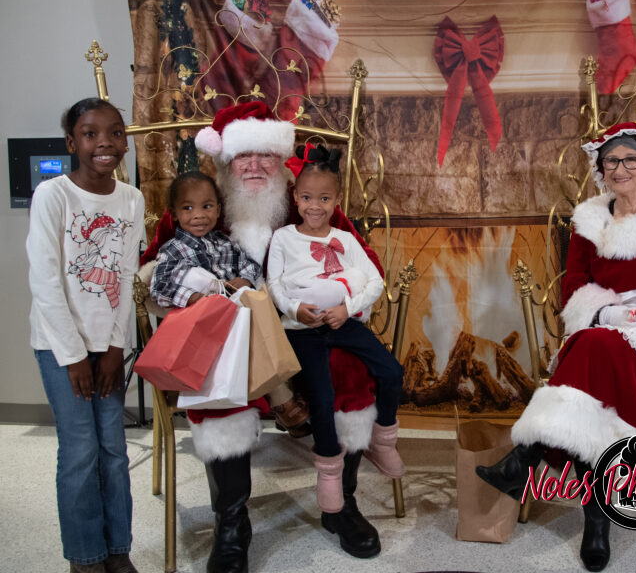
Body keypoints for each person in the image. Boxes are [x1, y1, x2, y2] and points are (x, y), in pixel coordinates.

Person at [476, 122, 636, 572]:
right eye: (611, 160)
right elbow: (576, 286)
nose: (620, 168)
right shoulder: (589, 220)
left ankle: (527, 460)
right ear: (600, 168)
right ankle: (595, 520)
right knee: (593, 355)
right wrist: (606, 314)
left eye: (631, 159)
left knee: (586, 359)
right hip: (608, 327)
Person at [139, 101, 386, 570]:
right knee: (218, 381)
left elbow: (363, 261)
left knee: (351, 368)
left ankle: (340, 502)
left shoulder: (307, 202)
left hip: (307, 327)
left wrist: (342, 302)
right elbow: (152, 272)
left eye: (265, 156)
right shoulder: (202, 207)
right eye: (243, 157)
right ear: (224, 161)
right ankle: (231, 520)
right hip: (228, 336)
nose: (254, 166)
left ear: (282, 159)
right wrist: (197, 295)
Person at [26, 98, 144, 573]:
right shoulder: (53, 195)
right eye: (90, 134)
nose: (104, 143)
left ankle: (118, 551)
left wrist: (116, 346)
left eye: (115, 132)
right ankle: (85, 557)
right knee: (80, 452)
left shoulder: (131, 199)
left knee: (113, 451)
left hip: (108, 345)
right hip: (61, 347)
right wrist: (74, 356)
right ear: (71, 142)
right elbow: (45, 280)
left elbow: (126, 275)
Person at [267, 144, 405, 531]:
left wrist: (348, 307)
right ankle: (329, 469)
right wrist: (295, 310)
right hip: (304, 330)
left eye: (324, 199)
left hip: (343, 322)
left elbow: (374, 281)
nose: (315, 206)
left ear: (337, 200)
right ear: (296, 197)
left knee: (392, 372)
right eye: (307, 198)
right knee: (322, 395)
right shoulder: (283, 238)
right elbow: (275, 284)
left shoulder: (345, 238)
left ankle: (382, 440)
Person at [150, 171, 261, 308]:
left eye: (207, 206)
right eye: (188, 208)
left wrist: (245, 279)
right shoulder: (172, 250)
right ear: (174, 213)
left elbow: (250, 265)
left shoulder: (226, 242)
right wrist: (192, 297)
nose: (199, 215)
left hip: (236, 309)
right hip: (199, 314)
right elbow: (159, 288)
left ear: (218, 210)